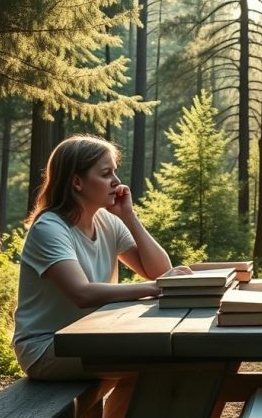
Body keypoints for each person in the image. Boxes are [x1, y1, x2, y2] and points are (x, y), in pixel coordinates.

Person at [14, 134, 188, 380]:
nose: (117, 182)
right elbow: (82, 294)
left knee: (159, 356)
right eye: (106, 174)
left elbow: (158, 270)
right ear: (77, 182)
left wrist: (129, 216)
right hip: (46, 347)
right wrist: (157, 288)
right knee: (156, 358)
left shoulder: (106, 220)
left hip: (91, 335)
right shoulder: (50, 228)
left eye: (114, 173)